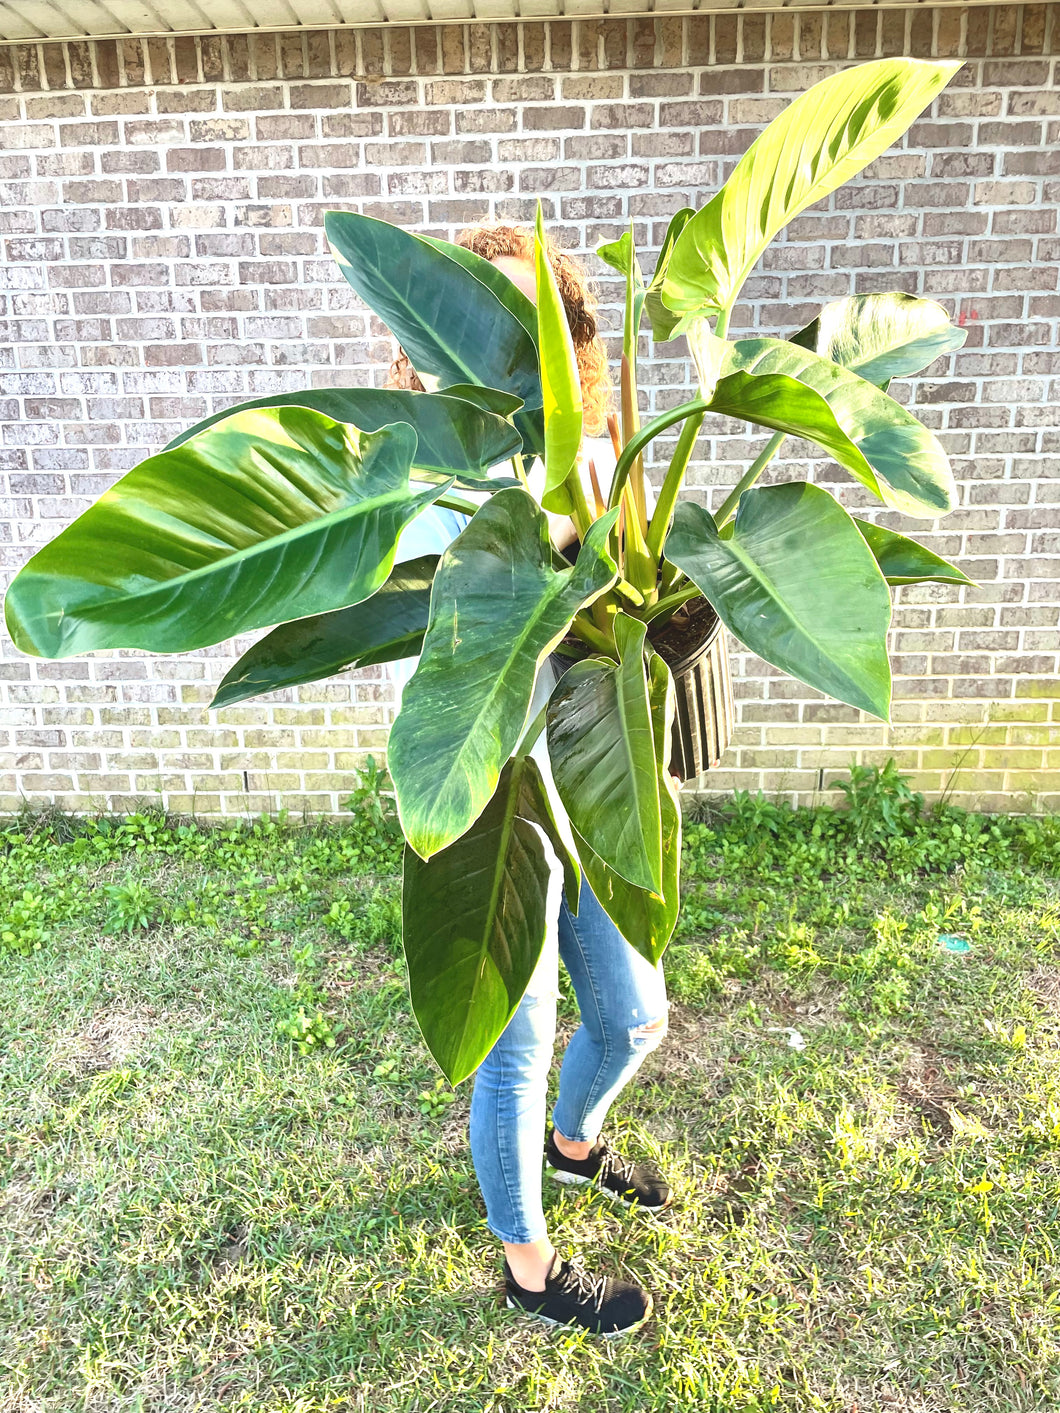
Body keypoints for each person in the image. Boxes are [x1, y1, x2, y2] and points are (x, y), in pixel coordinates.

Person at [386, 223, 671, 1339]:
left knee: (634, 1016)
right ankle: (529, 1266)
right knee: (511, 1041)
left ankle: (576, 1142)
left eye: (526, 320)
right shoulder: (418, 474)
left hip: (598, 777)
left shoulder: (598, 447)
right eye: (476, 314)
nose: (503, 344)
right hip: (495, 794)